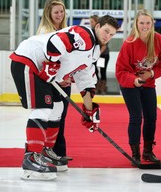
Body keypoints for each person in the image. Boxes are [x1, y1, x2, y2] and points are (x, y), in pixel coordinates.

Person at [9, 15, 119, 181]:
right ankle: (31, 157)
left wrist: (89, 110)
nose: (107, 36)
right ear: (97, 27)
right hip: (28, 60)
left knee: (58, 107)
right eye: (106, 31)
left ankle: (45, 151)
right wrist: (51, 64)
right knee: (44, 108)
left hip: (43, 71)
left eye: (112, 34)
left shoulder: (94, 51)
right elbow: (57, 42)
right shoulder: (84, 35)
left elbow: (86, 79)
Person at [115, 9, 161, 166]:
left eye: (148, 22)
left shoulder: (159, 40)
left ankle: (148, 151)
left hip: (148, 84)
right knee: (136, 117)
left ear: (152, 23)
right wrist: (135, 79)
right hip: (129, 84)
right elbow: (121, 70)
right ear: (136, 24)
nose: (145, 26)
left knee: (151, 117)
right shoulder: (129, 43)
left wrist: (151, 73)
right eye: (142, 23)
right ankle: (135, 153)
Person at [37, 0, 73, 163]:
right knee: (51, 116)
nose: (60, 14)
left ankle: (57, 151)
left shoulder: (66, 30)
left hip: (64, 80)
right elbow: (46, 60)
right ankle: (44, 150)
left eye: (62, 11)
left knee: (61, 116)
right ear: (48, 13)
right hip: (50, 81)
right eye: (56, 12)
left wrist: (68, 75)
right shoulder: (45, 31)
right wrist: (58, 78)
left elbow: (68, 58)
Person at [90, 15, 110, 95]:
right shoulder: (92, 30)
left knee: (102, 71)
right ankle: (96, 87)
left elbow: (104, 45)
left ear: (96, 22)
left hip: (102, 55)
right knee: (95, 70)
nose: (91, 23)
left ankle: (102, 88)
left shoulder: (102, 30)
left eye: (92, 22)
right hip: (95, 55)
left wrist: (97, 54)